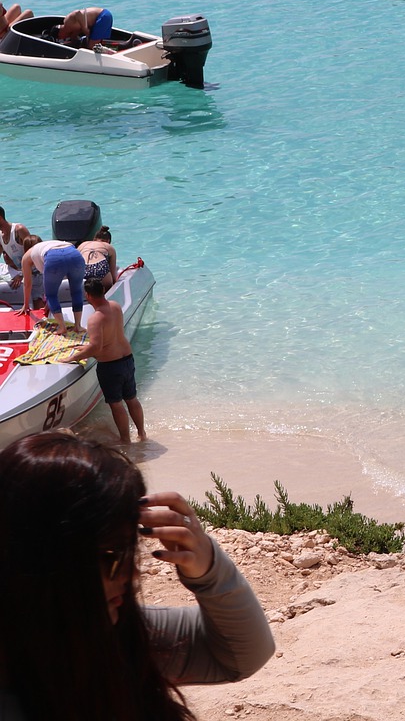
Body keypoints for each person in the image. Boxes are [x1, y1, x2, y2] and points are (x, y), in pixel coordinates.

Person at [0, 431, 276, 721]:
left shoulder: (105, 633)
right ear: (37, 555)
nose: (132, 573)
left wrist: (208, 569)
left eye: (130, 550)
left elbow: (241, 657)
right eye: (111, 556)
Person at [76, 275, 145, 444]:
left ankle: (125, 440)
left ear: (88, 295)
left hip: (111, 366)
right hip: (127, 359)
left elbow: (96, 348)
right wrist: (87, 348)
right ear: (103, 291)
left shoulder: (94, 319)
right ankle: (142, 434)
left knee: (116, 404)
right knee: (132, 399)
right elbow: (109, 337)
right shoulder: (115, 306)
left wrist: (74, 356)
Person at [23, 234, 87, 326]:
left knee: (51, 295)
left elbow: (27, 284)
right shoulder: (47, 245)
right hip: (75, 254)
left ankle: (62, 327)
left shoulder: (26, 256)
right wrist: (47, 305)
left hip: (54, 258)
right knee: (76, 292)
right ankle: (78, 326)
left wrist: (26, 305)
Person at [80, 224, 118, 291]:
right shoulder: (109, 247)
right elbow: (113, 274)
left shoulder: (83, 244)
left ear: (94, 239)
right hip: (99, 268)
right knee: (108, 289)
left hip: (82, 268)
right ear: (108, 241)